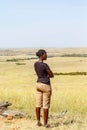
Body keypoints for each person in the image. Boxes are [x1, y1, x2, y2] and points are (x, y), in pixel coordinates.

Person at [34, 49, 54, 127]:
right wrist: (47, 76)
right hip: (45, 85)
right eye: (45, 54)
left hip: (38, 84)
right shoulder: (45, 65)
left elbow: (39, 73)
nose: (46, 55)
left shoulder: (35, 64)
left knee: (38, 104)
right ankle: (45, 124)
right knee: (46, 105)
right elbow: (52, 75)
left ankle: (38, 122)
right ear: (42, 55)